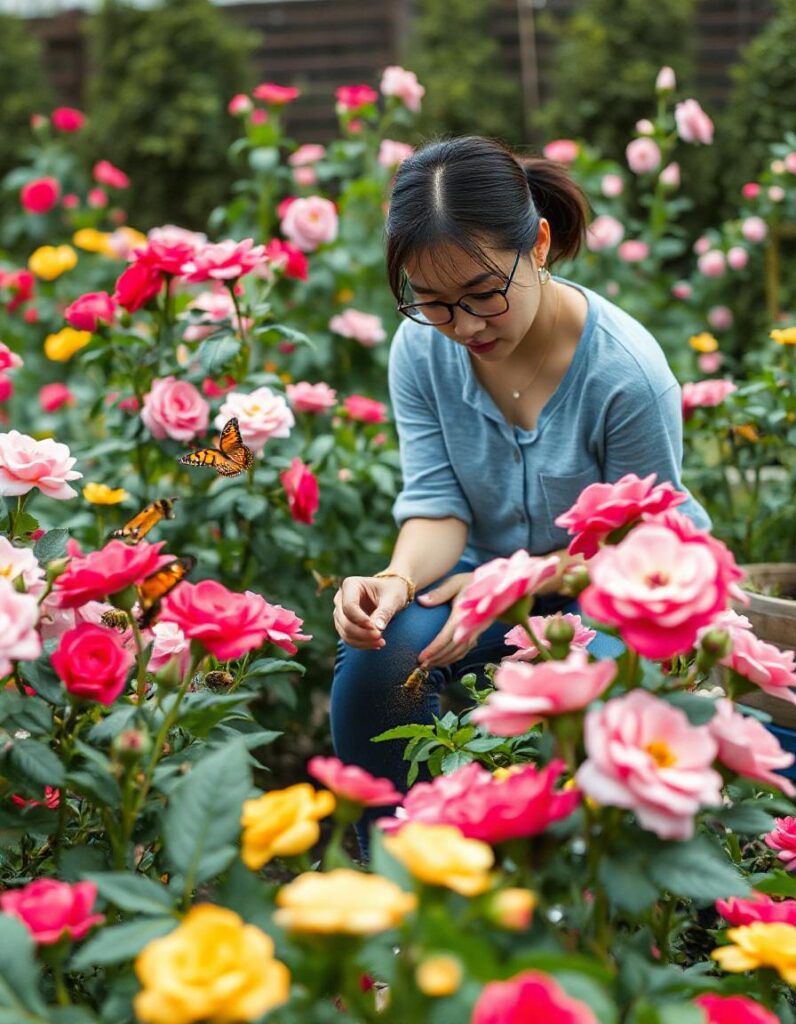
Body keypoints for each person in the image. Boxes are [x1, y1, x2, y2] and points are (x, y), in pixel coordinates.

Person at [329, 135, 709, 851]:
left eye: (483, 295)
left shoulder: (624, 375)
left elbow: (649, 552)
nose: (465, 327)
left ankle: (590, 891)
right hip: (478, 587)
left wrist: (515, 583)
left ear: (537, 245)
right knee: (383, 651)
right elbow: (437, 503)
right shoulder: (421, 350)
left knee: (598, 706)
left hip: (616, 598)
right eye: (435, 303)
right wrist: (395, 578)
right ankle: (391, 870)